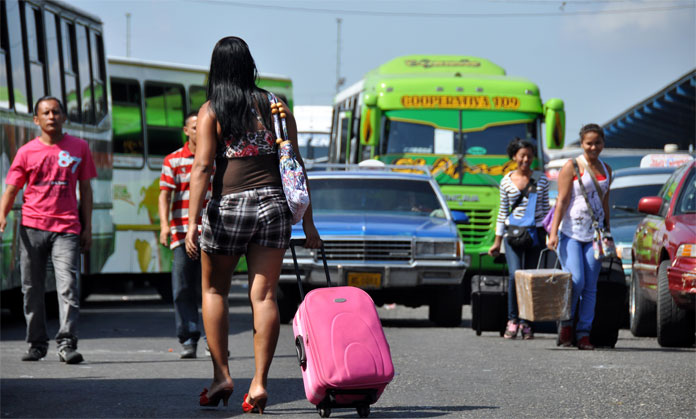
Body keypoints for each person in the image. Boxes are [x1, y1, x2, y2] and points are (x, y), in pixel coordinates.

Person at [184, 36, 321, 412]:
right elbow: (295, 165)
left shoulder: (213, 109)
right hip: (275, 205)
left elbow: (202, 167)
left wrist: (191, 222)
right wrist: (309, 223)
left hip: (229, 205)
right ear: (249, 65)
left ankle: (221, 377)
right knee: (264, 295)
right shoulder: (276, 105)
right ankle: (259, 383)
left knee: (214, 291)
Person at [0, 96, 96, 364]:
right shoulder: (26, 151)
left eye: (56, 112)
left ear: (64, 117)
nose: (51, 116)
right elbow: (12, 189)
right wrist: (2, 216)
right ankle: (36, 343)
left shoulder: (79, 147)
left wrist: (87, 227)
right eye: (46, 112)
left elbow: (86, 190)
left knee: (68, 286)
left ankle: (67, 343)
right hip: (32, 228)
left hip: (67, 228)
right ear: (36, 120)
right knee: (32, 289)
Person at [547, 124, 613, 350]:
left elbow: (605, 203)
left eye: (597, 143)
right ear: (582, 144)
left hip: (595, 236)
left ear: (603, 143)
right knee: (576, 281)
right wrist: (553, 232)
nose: (593, 147)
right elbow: (562, 201)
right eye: (589, 143)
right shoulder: (572, 166)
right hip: (571, 233)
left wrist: (608, 231)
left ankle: (584, 334)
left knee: (590, 287)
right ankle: (566, 326)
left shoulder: (607, 169)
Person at [159, 111, 211, 359]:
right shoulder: (173, 160)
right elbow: (164, 195)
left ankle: (214, 339)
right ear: (186, 131)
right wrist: (164, 226)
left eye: (201, 127)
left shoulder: (216, 156)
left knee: (213, 288)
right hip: (181, 234)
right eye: (194, 127)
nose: (198, 131)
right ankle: (189, 338)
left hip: (212, 232)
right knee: (182, 288)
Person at [489, 138, 550, 340]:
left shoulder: (541, 179)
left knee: (531, 278)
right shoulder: (506, 181)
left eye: (529, 156)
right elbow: (502, 212)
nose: (526, 159)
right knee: (515, 276)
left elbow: (544, 211)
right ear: (514, 156)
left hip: (535, 234)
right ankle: (512, 320)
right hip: (512, 235)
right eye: (522, 155)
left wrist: (549, 235)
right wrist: (497, 241)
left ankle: (527, 323)